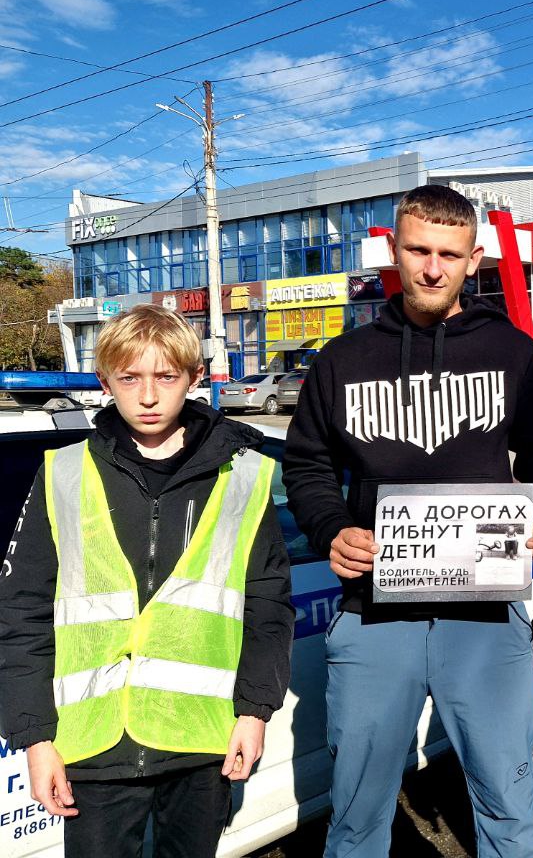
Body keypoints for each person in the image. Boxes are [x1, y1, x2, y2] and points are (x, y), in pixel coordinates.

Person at [282, 184, 533, 858]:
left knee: (507, 799)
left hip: (484, 614)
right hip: (375, 611)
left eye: (450, 253)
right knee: (356, 812)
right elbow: (305, 465)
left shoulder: (509, 351)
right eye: (419, 250)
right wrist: (331, 528)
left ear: (474, 260)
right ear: (395, 249)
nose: (434, 267)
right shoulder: (342, 361)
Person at [0, 304, 293, 858]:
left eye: (166, 376)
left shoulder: (245, 476)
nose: (149, 396)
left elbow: (268, 608)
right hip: (94, 750)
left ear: (194, 377)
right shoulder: (63, 473)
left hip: (201, 742)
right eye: (130, 378)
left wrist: (255, 712)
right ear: (106, 381)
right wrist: (35, 738)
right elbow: (21, 615)